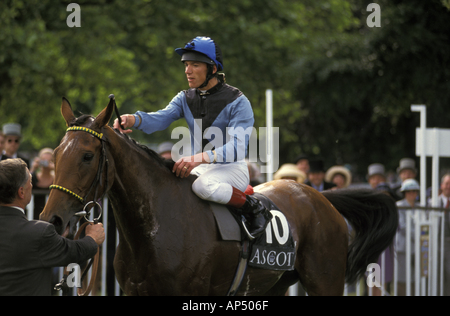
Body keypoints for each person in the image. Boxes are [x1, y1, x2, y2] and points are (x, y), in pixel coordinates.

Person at [114, 36, 272, 238]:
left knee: (202, 186)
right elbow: (161, 119)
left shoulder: (239, 102)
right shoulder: (184, 98)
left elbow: (237, 149)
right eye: (186, 65)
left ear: (213, 69)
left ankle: (253, 207)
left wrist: (197, 158)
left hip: (232, 169)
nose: (187, 70)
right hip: (202, 167)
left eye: (195, 65)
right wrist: (133, 119)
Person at [0, 158, 105, 296]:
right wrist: (92, 238)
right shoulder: (39, 233)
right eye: (30, 181)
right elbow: (74, 252)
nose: (31, 185)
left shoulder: (38, 235)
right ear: (21, 192)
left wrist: (55, 241)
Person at [396, 178, 420, 296]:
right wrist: (419, 235)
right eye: (409, 191)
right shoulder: (399, 206)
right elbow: (403, 226)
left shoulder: (420, 206)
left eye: (414, 191)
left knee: (416, 278)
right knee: (402, 279)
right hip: (403, 248)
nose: (412, 193)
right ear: (404, 193)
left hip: (418, 249)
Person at [29, 148, 55, 219]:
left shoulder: (56, 180)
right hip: (34, 216)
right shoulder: (33, 177)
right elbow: (24, 182)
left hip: (51, 217)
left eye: (49, 161)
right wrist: (33, 168)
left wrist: (56, 168)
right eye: (43, 160)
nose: (46, 163)